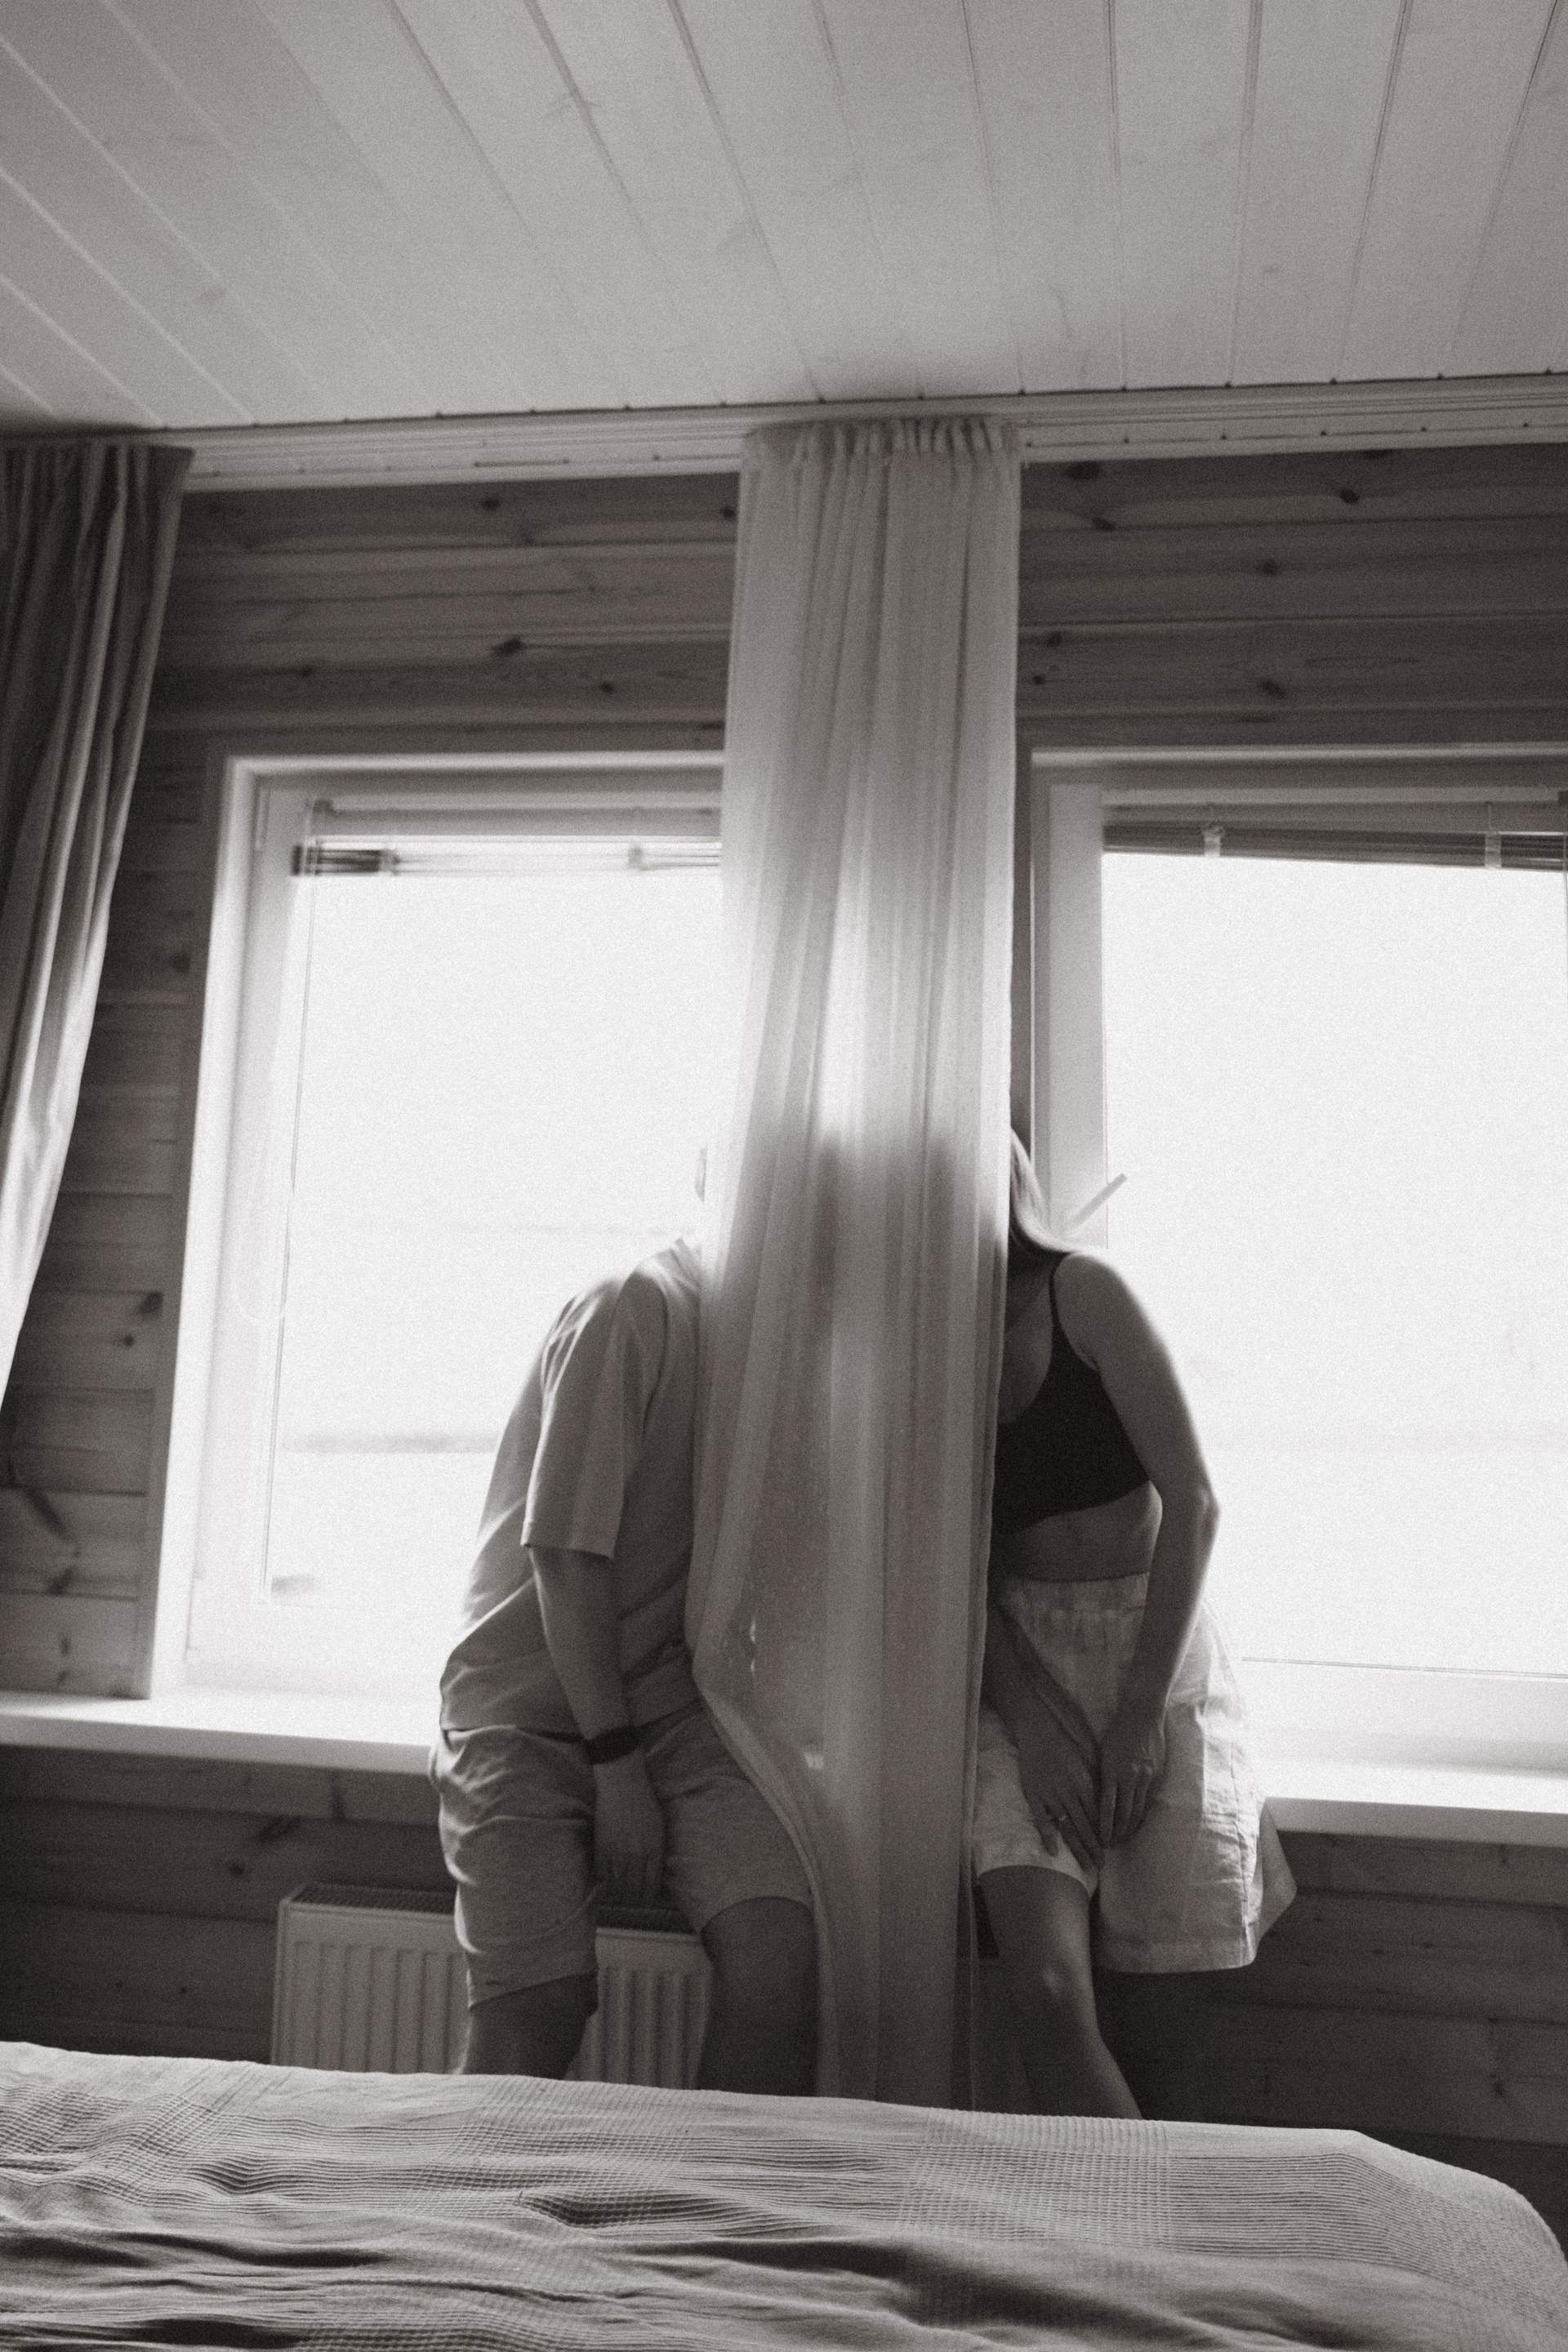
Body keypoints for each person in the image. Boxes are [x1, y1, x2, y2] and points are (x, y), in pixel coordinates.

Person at [431, 1229, 817, 2090]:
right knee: (538, 2006)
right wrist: (618, 1769)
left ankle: (708, 2184)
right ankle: (475, 2176)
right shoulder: (633, 1308)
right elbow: (565, 1558)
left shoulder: (775, 1352)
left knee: (778, 1960)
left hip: (668, 1701)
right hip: (522, 1708)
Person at [974, 1135, 1294, 2118]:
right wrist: (1028, 1717)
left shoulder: (1086, 1293)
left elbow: (1194, 1501)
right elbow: (942, 1565)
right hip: (1016, 1664)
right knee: (1045, 1993)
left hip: (1153, 1647)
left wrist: (1142, 1714)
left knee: (1161, 2040)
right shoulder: (925, 1337)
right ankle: (1129, 2208)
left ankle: (1149, 2214)